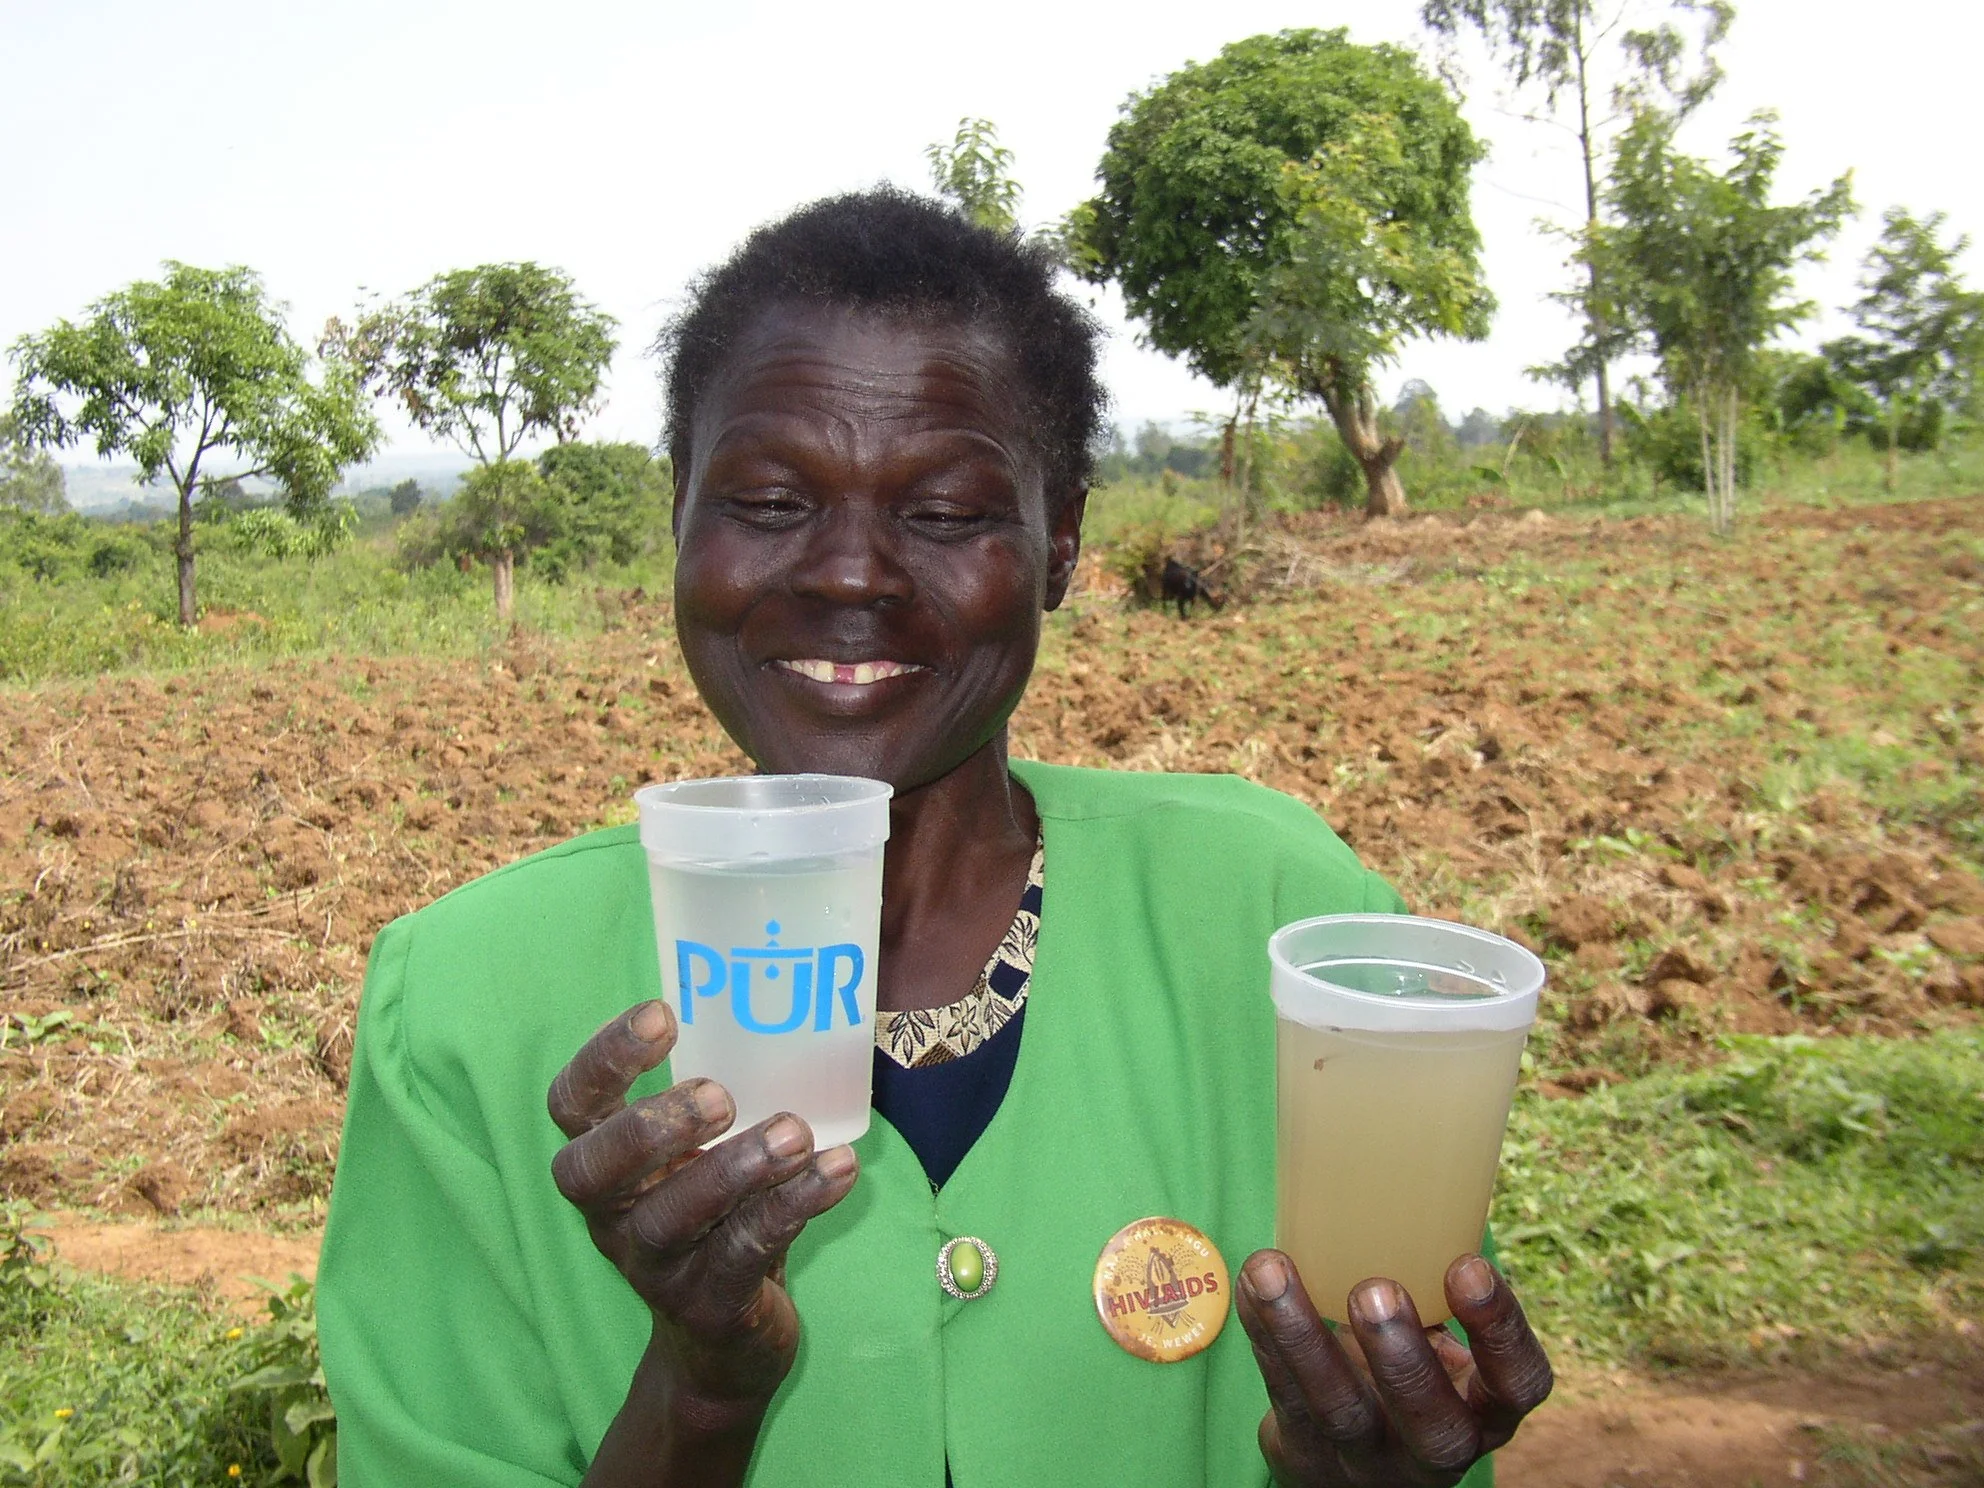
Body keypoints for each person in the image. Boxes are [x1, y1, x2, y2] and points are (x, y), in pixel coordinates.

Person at [317, 188, 1553, 1488]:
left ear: (1060, 543)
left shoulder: (1277, 921)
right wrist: (701, 1389)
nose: (850, 573)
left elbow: (1400, 1387)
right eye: (771, 501)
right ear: (681, 513)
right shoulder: (461, 1009)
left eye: (949, 514)